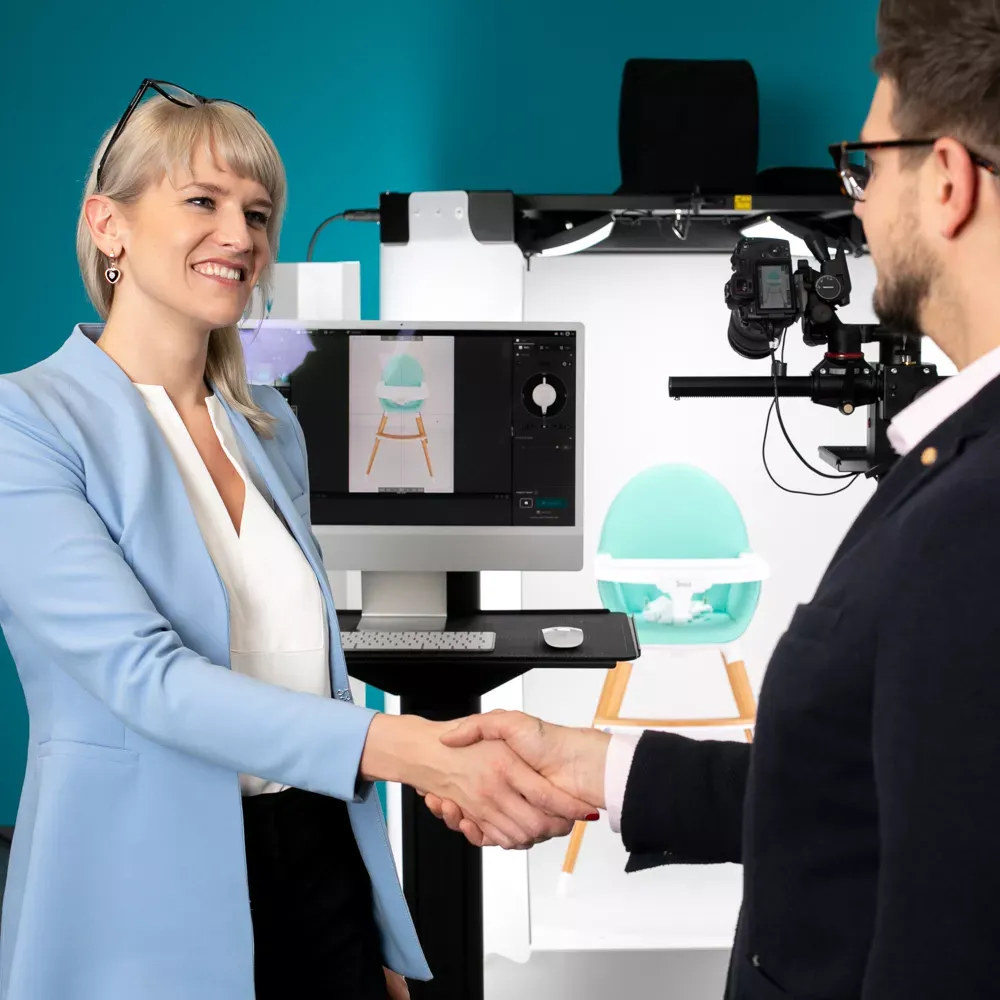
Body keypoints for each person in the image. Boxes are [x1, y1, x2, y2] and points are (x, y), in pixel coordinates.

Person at [425, 1, 1000, 996]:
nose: (855, 202)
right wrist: (602, 769)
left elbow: (949, 929)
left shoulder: (976, 512)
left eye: (865, 168)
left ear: (945, 182)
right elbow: (872, 797)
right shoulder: (957, 466)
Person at [0, 81, 597, 1000]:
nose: (239, 236)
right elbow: (143, 677)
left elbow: (315, 676)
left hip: (319, 874)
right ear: (107, 225)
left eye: (258, 212)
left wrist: (372, 922)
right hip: (139, 891)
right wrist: (414, 749)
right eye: (201, 201)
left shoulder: (270, 426)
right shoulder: (24, 422)